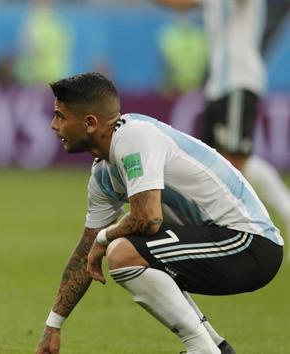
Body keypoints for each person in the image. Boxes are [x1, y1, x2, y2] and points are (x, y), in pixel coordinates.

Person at [35, 72, 283, 354]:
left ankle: (201, 349)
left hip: (250, 243)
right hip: (220, 241)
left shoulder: (133, 136)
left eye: (60, 116)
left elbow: (148, 218)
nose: (53, 125)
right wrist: (54, 325)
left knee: (122, 252)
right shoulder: (103, 174)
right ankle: (215, 346)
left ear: (90, 123)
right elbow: (84, 253)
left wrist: (104, 238)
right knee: (138, 251)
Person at [157, 0, 290, 259]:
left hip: (239, 80)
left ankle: (285, 209)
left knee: (235, 160)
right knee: (214, 162)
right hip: (217, 85)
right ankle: (211, 234)